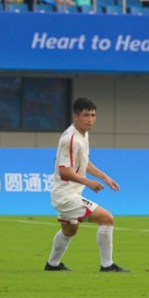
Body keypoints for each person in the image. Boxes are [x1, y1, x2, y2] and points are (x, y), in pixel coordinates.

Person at [44, 98, 129, 273]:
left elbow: (84, 162)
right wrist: (88, 182)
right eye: (86, 115)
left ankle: (52, 264)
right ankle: (107, 265)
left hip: (69, 194)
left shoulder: (83, 135)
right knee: (107, 218)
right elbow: (64, 171)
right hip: (66, 197)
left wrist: (104, 177)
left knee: (70, 230)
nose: (90, 119)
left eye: (93, 115)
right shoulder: (71, 139)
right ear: (76, 117)